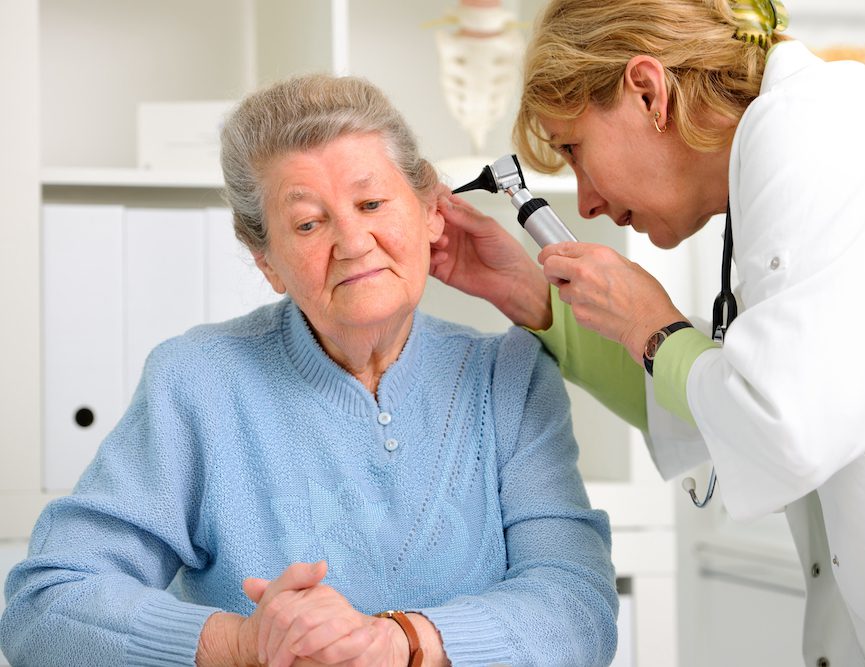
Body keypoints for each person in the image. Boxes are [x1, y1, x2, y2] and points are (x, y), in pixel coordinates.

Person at [428, 0, 865, 664]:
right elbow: (711, 399)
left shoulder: (816, 126)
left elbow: (777, 423)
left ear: (649, 92)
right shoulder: (799, 142)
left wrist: (650, 321)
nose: (585, 201)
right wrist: (526, 292)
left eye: (574, 149)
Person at [0, 74, 618, 667]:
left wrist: (397, 644)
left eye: (371, 203)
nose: (352, 242)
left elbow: (578, 607)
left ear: (433, 210)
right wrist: (246, 644)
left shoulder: (508, 377)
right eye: (307, 223)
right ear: (266, 260)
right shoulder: (196, 382)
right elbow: (44, 607)